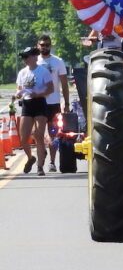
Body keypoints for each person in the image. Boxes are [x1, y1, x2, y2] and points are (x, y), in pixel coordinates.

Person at [15, 46, 54, 176]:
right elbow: (19, 89)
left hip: (39, 103)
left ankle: (40, 166)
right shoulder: (22, 72)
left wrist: (37, 94)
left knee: (38, 135)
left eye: (27, 57)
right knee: (24, 138)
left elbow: (50, 89)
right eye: (23, 57)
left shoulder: (43, 71)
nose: (25, 60)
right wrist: (18, 94)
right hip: (27, 104)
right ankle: (31, 158)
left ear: (34, 57)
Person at [36, 34, 69, 172]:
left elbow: (64, 84)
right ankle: (42, 152)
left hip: (53, 102)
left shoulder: (58, 61)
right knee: (37, 132)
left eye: (47, 45)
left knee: (53, 132)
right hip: (37, 101)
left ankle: (51, 162)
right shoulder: (34, 61)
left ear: (51, 46)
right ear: (38, 46)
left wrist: (66, 103)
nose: (45, 47)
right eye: (42, 45)